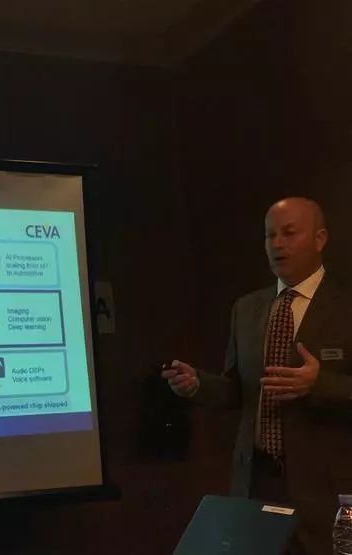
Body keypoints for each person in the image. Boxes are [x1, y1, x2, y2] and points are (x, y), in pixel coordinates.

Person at [162, 197, 352, 555]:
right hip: (256, 482)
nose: (277, 244)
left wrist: (320, 384)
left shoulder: (346, 307)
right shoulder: (247, 308)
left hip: (326, 489)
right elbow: (238, 390)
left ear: (320, 239)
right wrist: (198, 385)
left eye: (289, 233)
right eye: (270, 235)